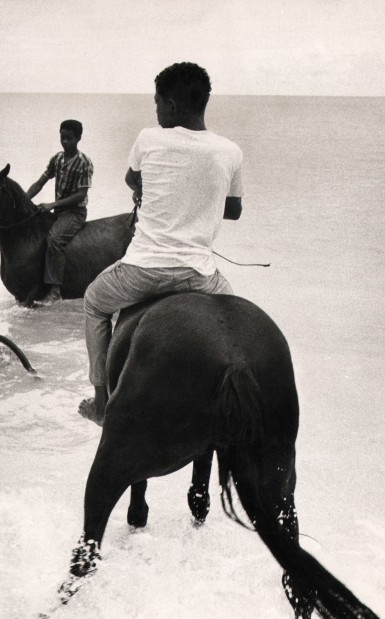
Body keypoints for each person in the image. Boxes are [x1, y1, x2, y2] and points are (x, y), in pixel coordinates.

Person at [79, 62, 244, 424]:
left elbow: (130, 178)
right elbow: (234, 211)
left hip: (142, 270)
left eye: (156, 104)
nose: (155, 111)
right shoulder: (231, 151)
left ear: (170, 105)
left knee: (93, 301)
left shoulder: (149, 138)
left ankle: (102, 402)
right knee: (237, 324)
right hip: (200, 275)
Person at [26, 120, 94, 304]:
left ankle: (55, 290)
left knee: (54, 240)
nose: (65, 142)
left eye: (69, 138)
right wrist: (24, 201)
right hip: (58, 211)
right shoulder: (57, 159)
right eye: (62, 137)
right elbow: (40, 182)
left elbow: (81, 195)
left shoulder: (84, 163)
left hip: (75, 213)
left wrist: (52, 204)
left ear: (78, 138)